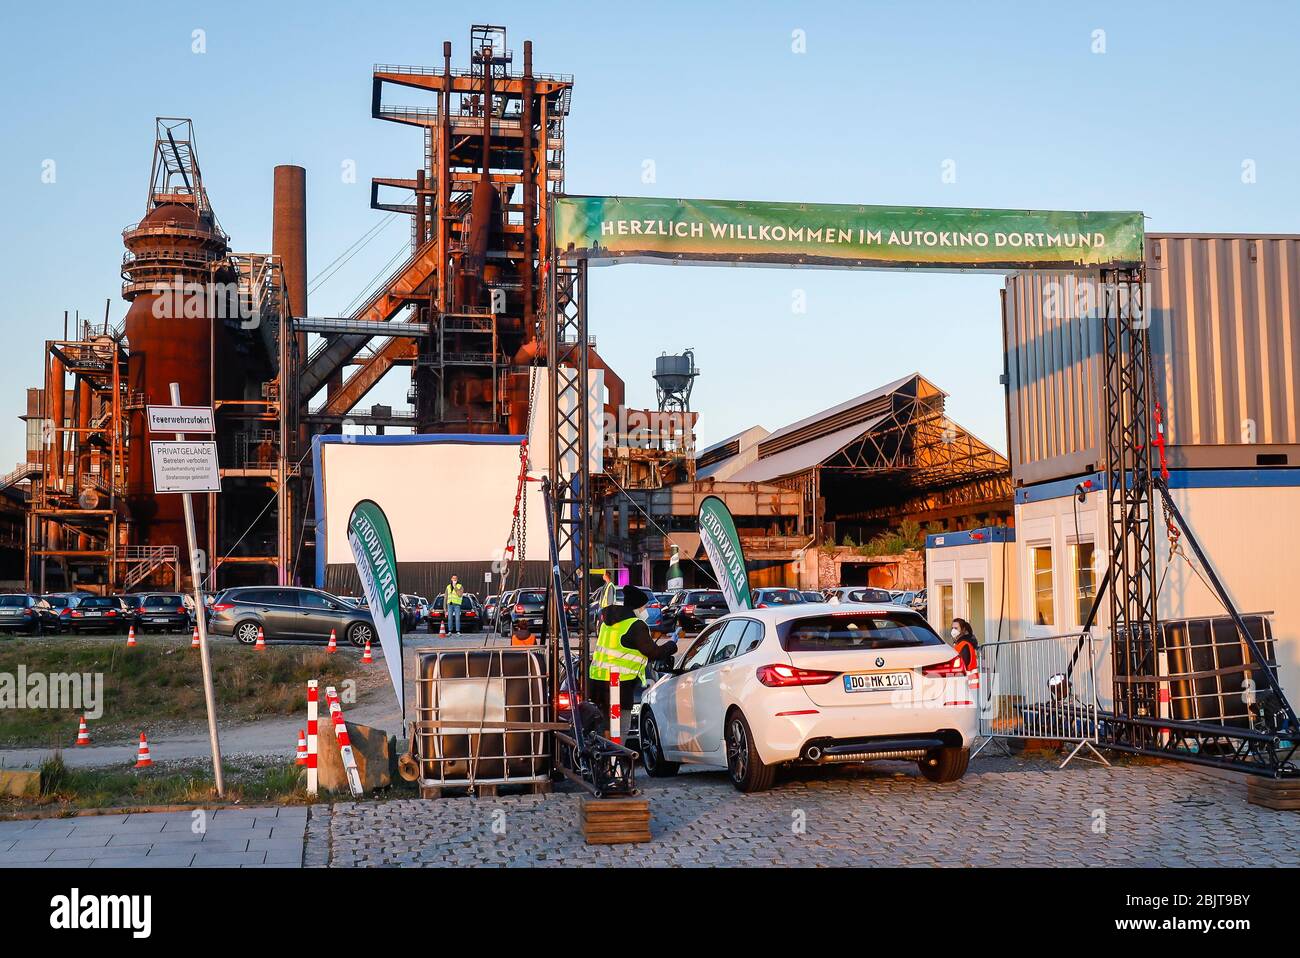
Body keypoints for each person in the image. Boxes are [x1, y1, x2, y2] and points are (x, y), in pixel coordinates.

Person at [588, 585, 678, 733]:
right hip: (618, 685)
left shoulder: (607, 623)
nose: (645, 611)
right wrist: (672, 644)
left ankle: (604, 754)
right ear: (637, 607)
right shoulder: (635, 625)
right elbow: (653, 652)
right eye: (644, 607)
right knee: (620, 729)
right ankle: (616, 755)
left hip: (598, 682)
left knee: (605, 728)